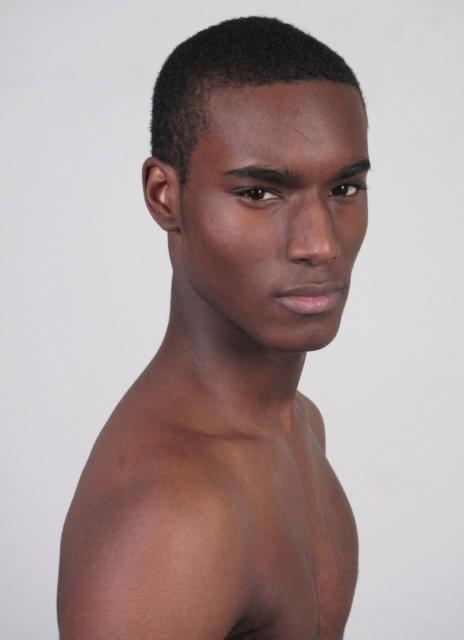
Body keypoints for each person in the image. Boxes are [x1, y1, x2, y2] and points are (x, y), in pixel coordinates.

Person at [57, 15, 370, 640]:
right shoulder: (170, 512)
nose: (319, 244)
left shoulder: (299, 423)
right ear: (164, 196)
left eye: (343, 187)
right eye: (258, 193)